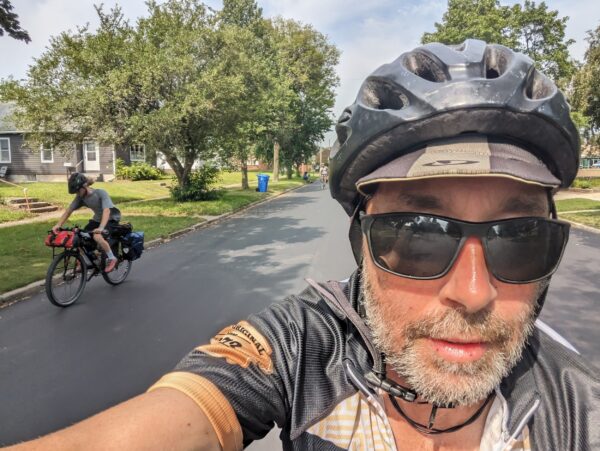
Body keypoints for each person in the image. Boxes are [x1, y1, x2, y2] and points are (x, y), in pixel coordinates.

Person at [8, 40, 600, 450]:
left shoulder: (581, 407)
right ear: (360, 243)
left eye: (519, 238)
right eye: (418, 236)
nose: (473, 293)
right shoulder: (304, 346)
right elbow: (190, 409)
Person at [52, 172, 121, 273]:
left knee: (97, 236)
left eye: (77, 191)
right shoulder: (81, 198)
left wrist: (101, 228)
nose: (77, 194)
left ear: (84, 186)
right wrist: (58, 225)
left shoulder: (100, 193)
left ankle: (112, 258)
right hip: (97, 219)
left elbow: (107, 211)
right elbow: (68, 211)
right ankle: (87, 261)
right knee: (79, 237)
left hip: (111, 219)